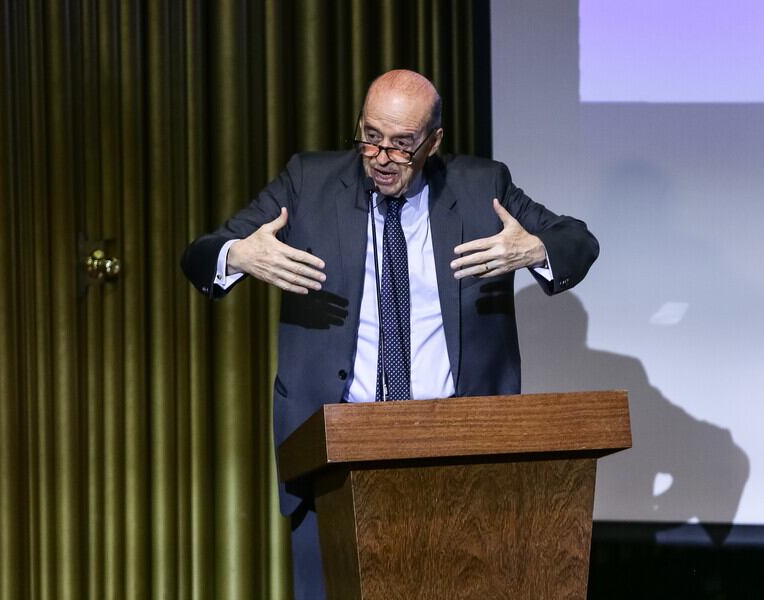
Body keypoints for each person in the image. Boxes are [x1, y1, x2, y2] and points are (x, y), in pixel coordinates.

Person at [181, 69, 598, 599]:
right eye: (370, 137)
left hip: (458, 454)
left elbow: (577, 240)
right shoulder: (308, 182)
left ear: (433, 141)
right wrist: (235, 254)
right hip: (330, 454)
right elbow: (200, 252)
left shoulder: (479, 187)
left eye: (402, 145)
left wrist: (533, 250)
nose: (381, 156)